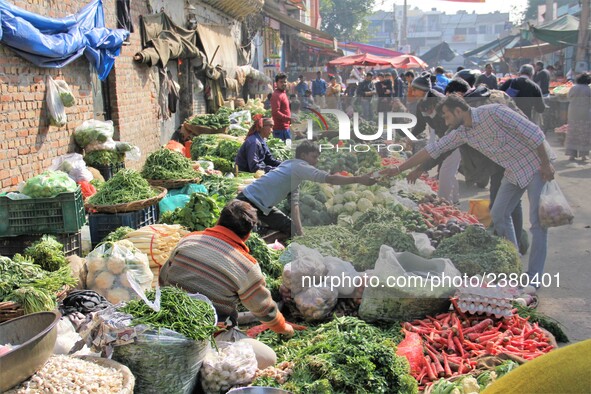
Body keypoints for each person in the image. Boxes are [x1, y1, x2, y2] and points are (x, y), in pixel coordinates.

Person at [381, 95, 555, 284]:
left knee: (538, 224)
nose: (445, 121)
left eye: (447, 116)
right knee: (498, 214)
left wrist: (546, 164)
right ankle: (516, 262)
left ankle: (534, 277)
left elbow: (535, 133)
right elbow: (433, 150)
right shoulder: (462, 132)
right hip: (513, 171)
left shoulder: (495, 112)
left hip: (536, 165)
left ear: (458, 111)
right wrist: (399, 168)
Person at [160, 200, 294, 366]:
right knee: (269, 358)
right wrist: (284, 328)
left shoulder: (188, 240)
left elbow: (163, 277)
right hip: (207, 333)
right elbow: (264, 310)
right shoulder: (246, 265)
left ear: (218, 221)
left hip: (165, 321)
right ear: (248, 235)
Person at [237, 141, 376, 237]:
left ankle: (268, 240)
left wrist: (300, 230)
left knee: (292, 229)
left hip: (262, 207)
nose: (316, 161)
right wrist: (358, 179)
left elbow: (294, 205)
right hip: (248, 201)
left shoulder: (293, 172)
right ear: (303, 156)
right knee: (243, 235)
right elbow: (331, 179)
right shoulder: (299, 166)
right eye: (314, 157)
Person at [566, 72, 591, 162]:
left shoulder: (573, 88)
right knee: (584, 133)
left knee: (573, 133)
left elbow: (568, 97)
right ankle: (584, 155)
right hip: (585, 114)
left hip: (573, 113)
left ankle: (571, 155)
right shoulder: (588, 89)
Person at [271, 73, 292, 142]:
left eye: (285, 82)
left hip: (285, 128)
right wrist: (288, 118)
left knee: (288, 150)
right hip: (280, 130)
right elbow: (275, 112)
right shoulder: (276, 95)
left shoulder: (283, 93)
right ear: (276, 83)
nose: (283, 84)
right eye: (281, 82)